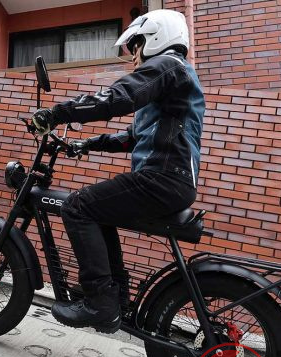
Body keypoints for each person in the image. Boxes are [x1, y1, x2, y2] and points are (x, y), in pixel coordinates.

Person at [30, 9, 205, 333]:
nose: (134, 55)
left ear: (156, 38)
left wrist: (57, 113)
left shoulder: (168, 66)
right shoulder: (175, 79)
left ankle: (100, 303)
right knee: (99, 211)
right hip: (170, 179)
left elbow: (117, 98)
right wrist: (85, 145)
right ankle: (116, 300)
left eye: (136, 46)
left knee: (77, 205)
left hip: (162, 178)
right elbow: (130, 138)